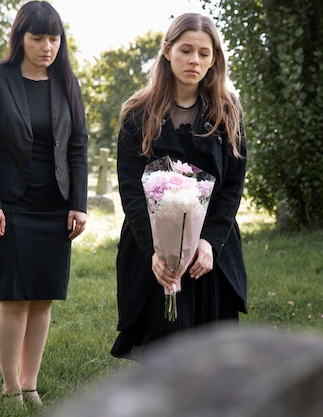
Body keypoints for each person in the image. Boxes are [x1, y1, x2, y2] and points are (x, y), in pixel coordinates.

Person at [0, 1, 88, 406]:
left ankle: (31, 384)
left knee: (43, 299)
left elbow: (78, 148)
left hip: (55, 206)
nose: (47, 47)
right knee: (14, 298)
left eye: (54, 39)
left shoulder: (67, 82)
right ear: (20, 38)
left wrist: (79, 203)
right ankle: (10, 389)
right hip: (11, 204)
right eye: (37, 38)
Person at [111, 12, 248, 361]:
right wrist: (154, 252)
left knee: (210, 359)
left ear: (214, 59)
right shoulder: (137, 113)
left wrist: (209, 243)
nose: (194, 60)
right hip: (154, 252)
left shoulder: (227, 113)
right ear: (167, 51)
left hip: (208, 253)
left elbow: (232, 186)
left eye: (204, 53)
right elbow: (130, 188)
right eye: (186, 50)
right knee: (162, 356)